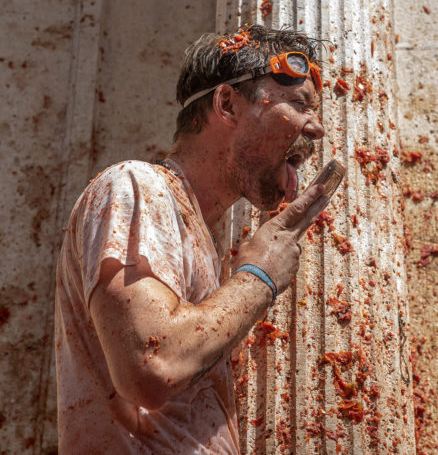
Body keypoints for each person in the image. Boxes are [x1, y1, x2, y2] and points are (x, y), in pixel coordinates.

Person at [55, 24, 328, 454]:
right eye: (299, 105)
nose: (316, 130)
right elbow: (153, 365)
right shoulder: (134, 186)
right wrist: (260, 275)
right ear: (227, 103)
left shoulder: (199, 232)